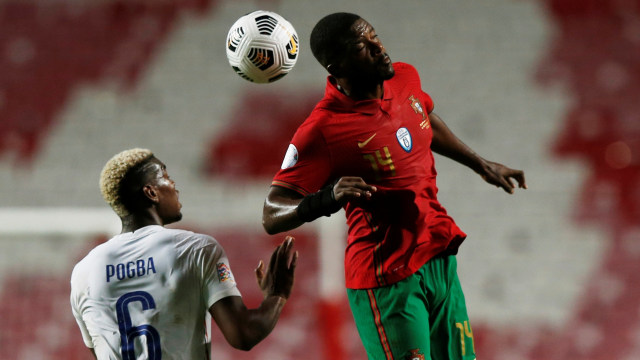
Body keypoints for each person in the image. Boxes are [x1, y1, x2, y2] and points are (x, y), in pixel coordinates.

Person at [262, 12, 526, 360]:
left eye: (374, 36)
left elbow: (422, 116)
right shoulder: (322, 130)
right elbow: (272, 212)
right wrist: (327, 198)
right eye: (362, 45)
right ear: (336, 65)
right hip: (387, 275)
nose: (378, 47)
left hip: (437, 254)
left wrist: (480, 163)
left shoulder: (405, 77)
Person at [71, 148, 298, 359]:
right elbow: (244, 334)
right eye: (166, 177)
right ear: (151, 192)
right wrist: (276, 295)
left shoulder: (83, 272)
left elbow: (99, 350)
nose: (174, 185)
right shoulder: (196, 249)